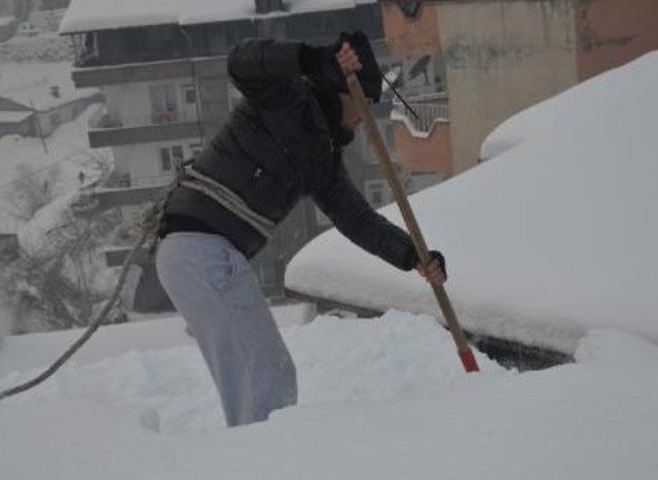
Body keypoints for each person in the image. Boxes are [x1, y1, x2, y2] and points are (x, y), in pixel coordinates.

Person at [155, 32, 447, 428]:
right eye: (364, 105)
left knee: (251, 379)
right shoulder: (285, 97)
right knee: (267, 375)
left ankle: (252, 456)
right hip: (201, 249)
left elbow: (357, 220)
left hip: (201, 255)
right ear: (343, 91)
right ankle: (267, 461)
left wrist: (414, 255)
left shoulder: (322, 158)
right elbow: (241, 60)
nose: (364, 120)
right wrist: (313, 58)